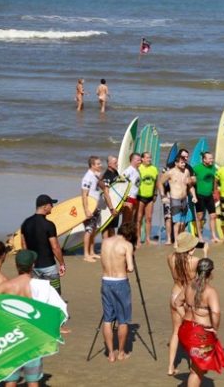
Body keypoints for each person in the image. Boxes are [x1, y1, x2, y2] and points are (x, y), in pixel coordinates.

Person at [0, 249, 68, 387]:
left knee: (10, 381)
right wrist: (58, 326)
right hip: (33, 339)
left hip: (13, 337)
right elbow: (59, 308)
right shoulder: (41, 286)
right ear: (33, 265)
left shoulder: (6, 286)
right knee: (33, 381)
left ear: (17, 265)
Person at [176, 258, 224, 386]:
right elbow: (216, 313)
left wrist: (185, 317)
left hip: (186, 330)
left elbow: (177, 303)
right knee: (197, 371)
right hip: (200, 335)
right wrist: (215, 328)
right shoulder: (210, 291)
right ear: (211, 273)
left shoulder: (189, 286)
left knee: (197, 365)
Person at [166, 232, 202, 376]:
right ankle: (193, 364)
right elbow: (201, 279)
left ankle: (170, 367)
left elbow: (176, 253)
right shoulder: (195, 261)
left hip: (175, 293)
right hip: (187, 297)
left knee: (176, 331)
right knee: (193, 331)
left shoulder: (170, 258)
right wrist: (204, 254)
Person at [100, 221, 136, 362]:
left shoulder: (105, 242)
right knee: (123, 320)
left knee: (107, 319)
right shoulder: (127, 245)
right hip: (120, 282)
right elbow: (131, 268)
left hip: (106, 280)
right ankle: (121, 352)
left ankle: (110, 353)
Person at [20, 194, 65, 295]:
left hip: (34, 267)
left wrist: (28, 264)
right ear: (45, 206)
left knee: (37, 295)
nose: (52, 207)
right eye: (51, 205)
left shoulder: (26, 223)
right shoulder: (49, 225)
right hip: (49, 267)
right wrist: (62, 263)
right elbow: (55, 247)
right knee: (55, 294)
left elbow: (24, 245)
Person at [158, 155, 197, 246]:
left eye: (184, 162)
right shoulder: (170, 173)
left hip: (184, 199)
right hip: (175, 200)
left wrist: (194, 196)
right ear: (176, 163)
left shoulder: (186, 172)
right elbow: (160, 182)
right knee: (177, 223)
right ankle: (176, 242)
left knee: (183, 223)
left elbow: (190, 186)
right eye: (182, 162)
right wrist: (163, 196)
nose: (184, 164)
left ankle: (180, 240)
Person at [82, 155, 115, 262]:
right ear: (92, 165)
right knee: (88, 230)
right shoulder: (87, 177)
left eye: (100, 163)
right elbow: (84, 194)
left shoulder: (95, 176)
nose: (100, 165)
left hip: (96, 207)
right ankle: (86, 254)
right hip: (89, 208)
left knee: (94, 230)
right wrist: (86, 209)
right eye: (98, 164)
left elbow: (103, 188)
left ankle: (91, 252)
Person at [193, 151, 219, 243]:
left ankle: (213, 236)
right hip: (199, 195)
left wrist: (215, 191)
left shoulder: (213, 168)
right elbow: (191, 181)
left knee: (213, 216)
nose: (212, 160)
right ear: (204, 159)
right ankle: (199, 236)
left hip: (209, 195)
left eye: (212, 158)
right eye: (210, 158)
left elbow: (214, 180)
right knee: (199, 216)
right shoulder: (196, 168)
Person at [137, 151, 158, 247]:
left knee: (149, 218)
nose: (149, 159)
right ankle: (137, 239)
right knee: (139, 219)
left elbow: (156, 182)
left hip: (150, 197)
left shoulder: (154, 169)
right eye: (147, 158)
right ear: (142, 159)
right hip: (140, 196)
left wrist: (155, 194)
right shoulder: (138, 168)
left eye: (150, 157)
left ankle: (148, 239)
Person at [102, 155, 120, 238]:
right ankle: (105, 246)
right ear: (109, 164)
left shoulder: (115, 172)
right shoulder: (106, 176)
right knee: (106, 227)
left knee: (112, 227)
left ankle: (112, 245)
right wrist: (111, 208)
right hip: (108, 205)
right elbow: (106, 193)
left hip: (115, 203)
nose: (117, 164)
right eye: (115, 163)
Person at [122, 152, 142, 224]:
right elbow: (121, 182)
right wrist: (124, 200)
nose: (140, 162)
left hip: (134, 198)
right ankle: (122, 235)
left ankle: (127, 235)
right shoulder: (129, 170)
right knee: (126, 220)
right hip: (129, 198)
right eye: (138, 160)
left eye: (140, 160)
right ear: (133, 160)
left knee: (130, 220)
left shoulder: (137, 170)